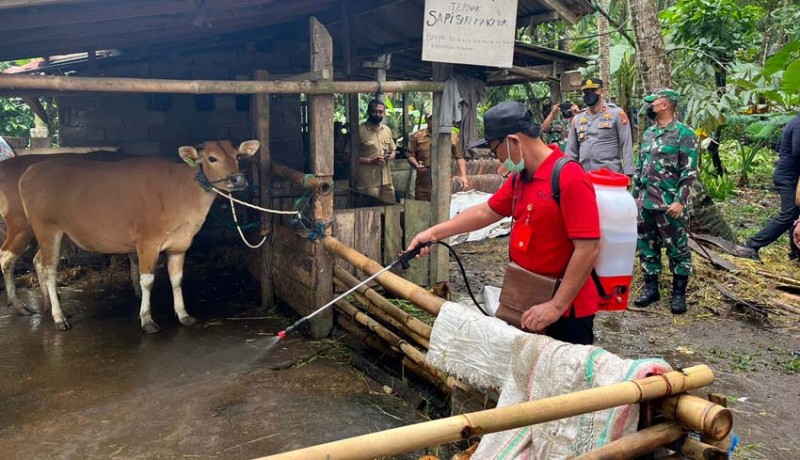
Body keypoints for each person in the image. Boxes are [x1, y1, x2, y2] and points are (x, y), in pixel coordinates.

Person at [408, 101, 601, 345]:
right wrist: (433, 233)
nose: (496, 157)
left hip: (567, 310)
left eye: (493, 149)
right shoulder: (522, 177)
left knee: (564, 377)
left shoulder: (569, 177)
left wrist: (556, 305)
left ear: (513, 141)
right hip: (529, 293)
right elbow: (486, 212)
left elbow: (589, 247)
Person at [632, 89, 698, 315]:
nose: (649, 107)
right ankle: (652, 289)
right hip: (645, 204)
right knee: (647, 247)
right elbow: (640, 166)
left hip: (670, 205)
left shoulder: (684, 133)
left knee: (678, 249)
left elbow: (689, 172)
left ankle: (679, 294)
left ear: (665, 106)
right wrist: (634, 198)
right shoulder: (649, 133)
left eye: (653, 103)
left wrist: (680, 201)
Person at [744, 112, 800, 260]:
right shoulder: (798, 123)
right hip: (788, 177)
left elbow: (779, 146)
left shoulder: (794, 121)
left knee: (794, 214)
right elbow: (797, 151)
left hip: (789, 175)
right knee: (789, 214)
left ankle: (796, 253)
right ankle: (752, 245)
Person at [566, 77, 634, 176]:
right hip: (585, 176)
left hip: (610, 175)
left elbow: (626, 145)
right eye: (586, 92)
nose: (589, 94)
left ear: (602, 92)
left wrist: (629, 173)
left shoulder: (616, 114)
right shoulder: (578, 118)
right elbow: (571, 152)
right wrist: (568, 174)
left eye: (593, 90)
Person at [406, 114, 470, 200]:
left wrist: (464, 176)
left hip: (443, 176)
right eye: (432, 119)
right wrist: (416, 165)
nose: (435, 122)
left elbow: (459, 157)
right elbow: (410, 155)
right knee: (423, 204)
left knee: (443, 203)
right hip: (424, 177)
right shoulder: (417, 136)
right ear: (427, 120)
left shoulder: (451, 136)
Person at [354, 99, 397, 202]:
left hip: (386, 180)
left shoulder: (386, 130)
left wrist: (389, 156)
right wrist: (370, 161)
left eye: (381, 112)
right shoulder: (359, 131)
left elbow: (393, 151)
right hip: (368, 182)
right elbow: (348, 156)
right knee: (371, 210)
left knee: (390, 209)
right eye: (375, 111)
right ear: (368, 112)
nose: (378, 114)